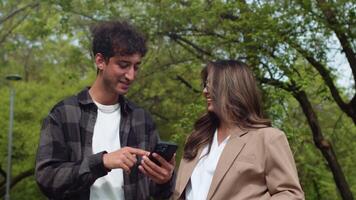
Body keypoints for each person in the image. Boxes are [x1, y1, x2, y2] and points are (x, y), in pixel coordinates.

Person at [35, 20, 175, 200]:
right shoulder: (64, 114)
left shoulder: (142, 119)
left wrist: (165, 180)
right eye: (123, 65)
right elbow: (47, 178)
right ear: (100, 61)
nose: (131, 75)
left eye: (136, 66)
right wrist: (101, 162)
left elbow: (160, 192)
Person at [172, 60, 304, 200]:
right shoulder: (196, 139)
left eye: (211, 84)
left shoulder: (267, 138)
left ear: (232, 87)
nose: (205, 91)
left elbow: (291, 195)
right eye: (205, 85)